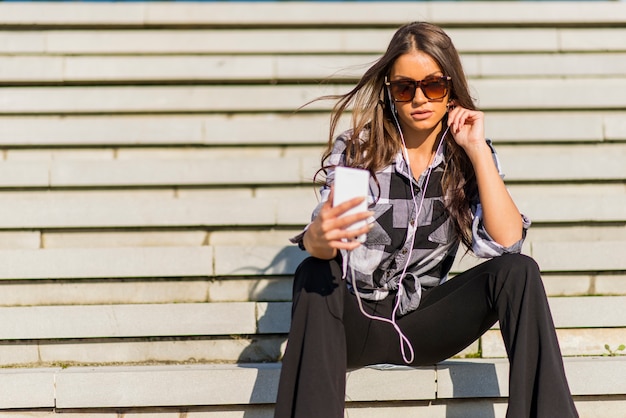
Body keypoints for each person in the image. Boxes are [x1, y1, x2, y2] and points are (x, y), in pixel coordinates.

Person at [274, 22, 578, 418]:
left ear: (451, 88)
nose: (420, 98)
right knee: (314, 272)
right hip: (353, 324)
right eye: (405, 88)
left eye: (434, 85)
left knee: (519, 272)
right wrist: (319, 235)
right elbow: (324, 234)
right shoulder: (358, 150)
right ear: (390, 93)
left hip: (423, 326)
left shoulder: (466, 157)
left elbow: (507, 242)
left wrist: (478, 151)